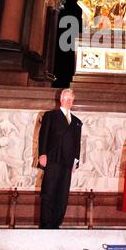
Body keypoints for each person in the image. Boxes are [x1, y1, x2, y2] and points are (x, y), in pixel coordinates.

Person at [38, 88, 82, 229]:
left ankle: (56, 223)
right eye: (66, 98)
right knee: (48, 191)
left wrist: (76, 162)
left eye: (71, 99)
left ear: (73, 101)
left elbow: (77, 143)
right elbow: (43, 136)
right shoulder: (50, 116)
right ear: (61, 100)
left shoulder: (76, 121)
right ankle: (46, 224)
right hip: (53, 158)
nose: (68, 101)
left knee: (62, 194)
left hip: (68, 162)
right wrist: (42, 154)